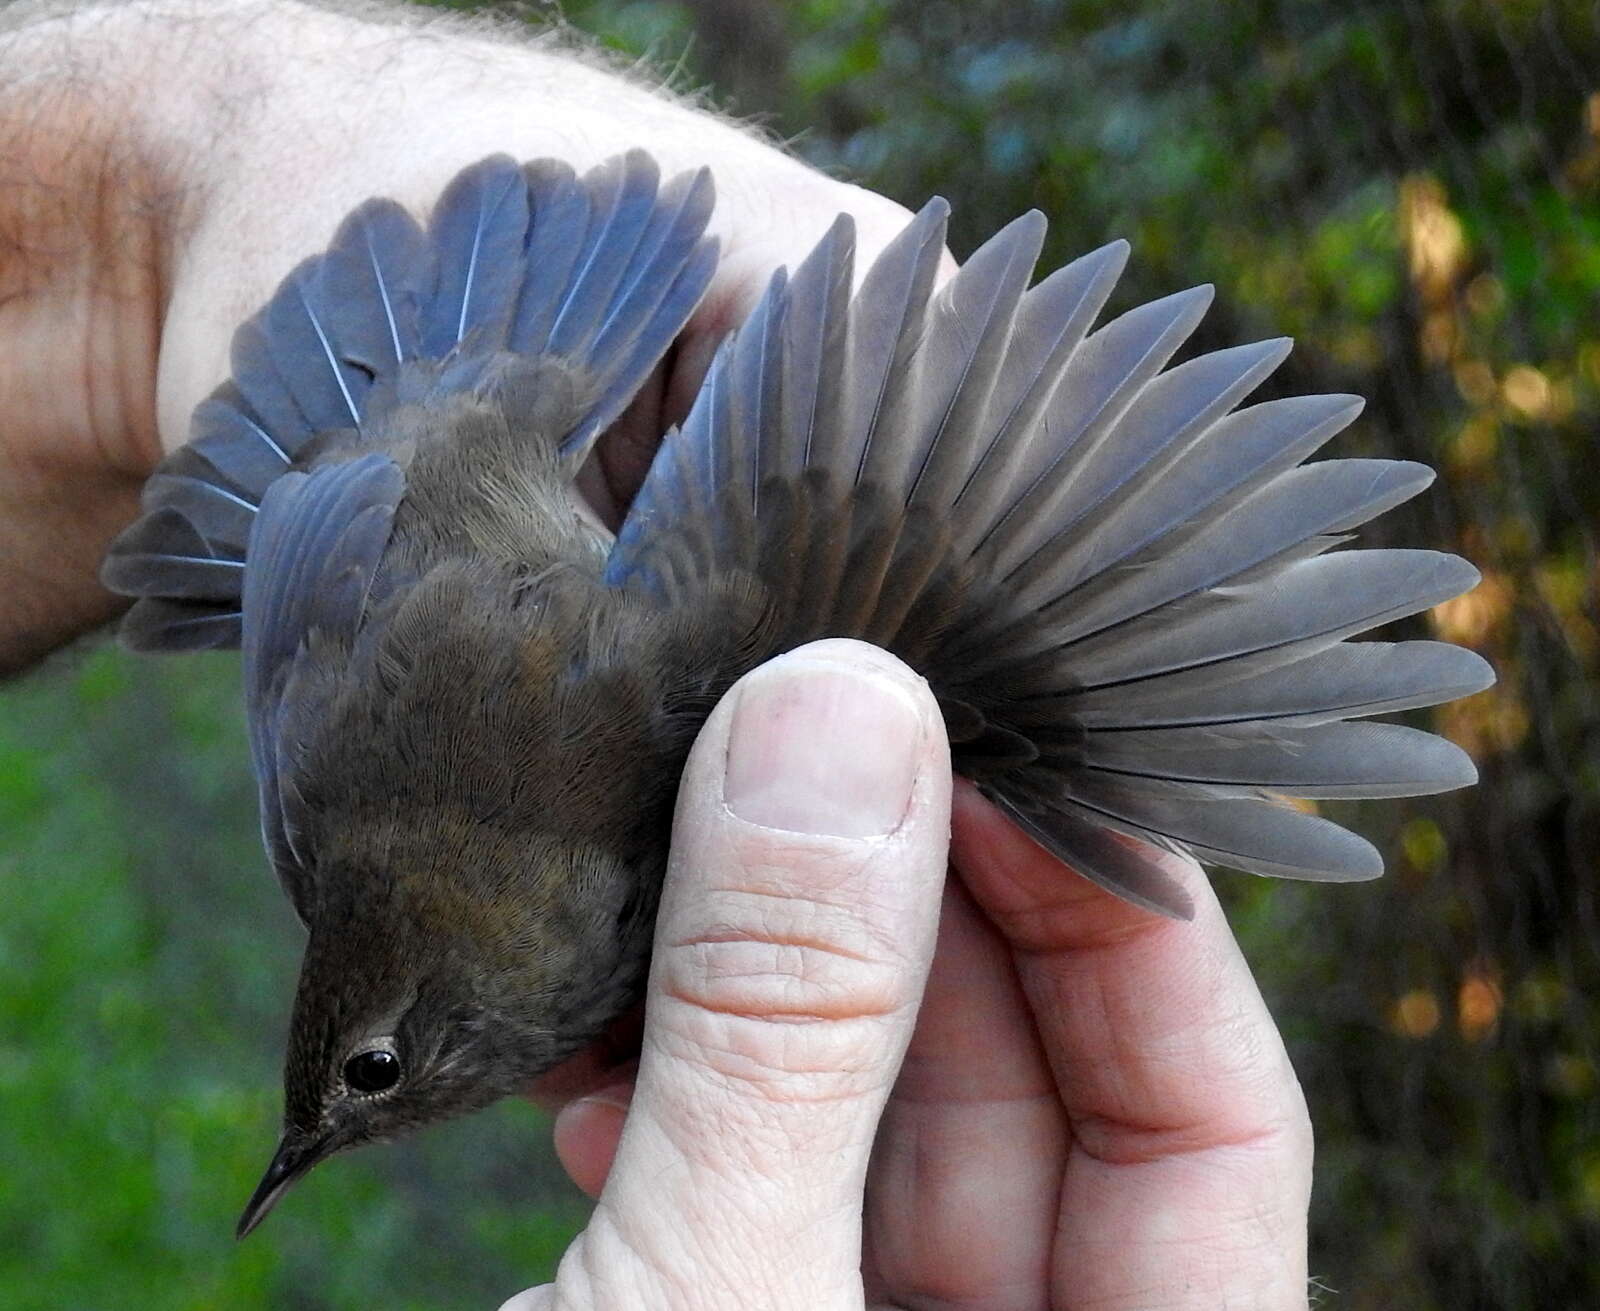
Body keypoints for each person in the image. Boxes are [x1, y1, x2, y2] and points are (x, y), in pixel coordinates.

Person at [0, 2, 1315, 1306]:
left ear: (418, 1025)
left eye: (372, 1082)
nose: (360, 1114)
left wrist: (167, 225)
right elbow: (301, 571)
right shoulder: (324, 850)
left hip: (418, 425)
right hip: (376, 419)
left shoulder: (363, 860)